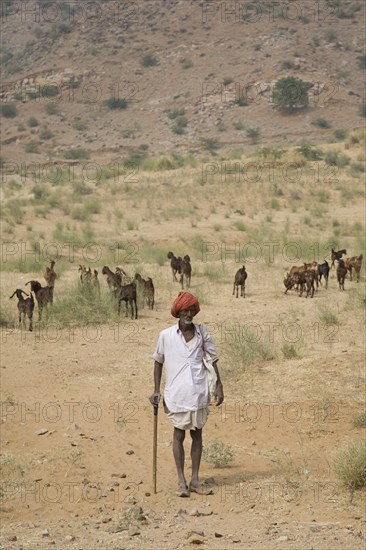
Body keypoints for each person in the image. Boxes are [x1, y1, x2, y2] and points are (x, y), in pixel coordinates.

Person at [150, 291, 224, 497]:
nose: (189, 313)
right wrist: (156, 390)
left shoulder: (202, 332)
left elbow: (213, 359)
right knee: (179, 434)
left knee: (197, 434)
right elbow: (158, 361)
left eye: (192, 309)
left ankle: (195, 480)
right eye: (185, 309)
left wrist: (219, 385)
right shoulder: (165, 335)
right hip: (176, 394)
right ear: (178, 312)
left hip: (199, 392)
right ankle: (181, 480)